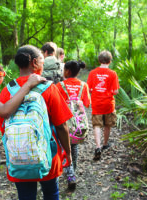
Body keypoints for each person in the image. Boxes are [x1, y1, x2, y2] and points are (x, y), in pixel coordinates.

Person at [0, 45, 73, 200]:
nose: (44, 63)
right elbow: (61, 125)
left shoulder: (8, 90)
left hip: (19, 156)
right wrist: (68, 151)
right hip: (48, 155)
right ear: (34, 62)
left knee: (26, 196)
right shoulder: (48, 88)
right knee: (51, 193)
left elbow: (2, 125)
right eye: (41, 60)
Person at [56, 60, 91, 190]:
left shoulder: (59, 86)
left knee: (63, 147)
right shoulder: (84, 85)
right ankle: (72, 173)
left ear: (67, 71)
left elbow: (55, 104)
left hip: (63, 121)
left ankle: (68, 173)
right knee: (74, 147)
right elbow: (87, 104)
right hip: (77, 123)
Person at [87, 50, 120, 160]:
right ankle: (105, 144)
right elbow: (115, 91)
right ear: (110, 61)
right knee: (107, 124)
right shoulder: (113, 73)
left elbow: (89, 89)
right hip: (108, 104)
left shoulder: (92, 73)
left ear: (99, 60)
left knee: (97, 125)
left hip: (97, 103)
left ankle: (97, 147)